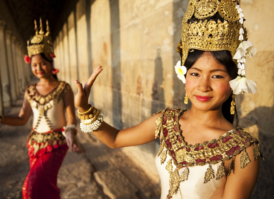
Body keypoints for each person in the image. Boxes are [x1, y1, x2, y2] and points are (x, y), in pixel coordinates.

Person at [74, 0, 262, 198]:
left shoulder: (243, 150)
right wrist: (85, 109)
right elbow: (115, 139)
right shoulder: (166, 122)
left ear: (234, 80)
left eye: (216, 76)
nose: (203, 86)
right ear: (184, 76)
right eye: (195, 74)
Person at [0, 19, 82, 199]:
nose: (39, 68)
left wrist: (71, 132)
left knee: (31, 186)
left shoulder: (63, 88)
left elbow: (70, 116)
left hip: (55, 145)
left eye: (43, 63)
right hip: (34, 145)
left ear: (51, 62)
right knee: (45, 188)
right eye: (34, 65)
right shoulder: (30, 90)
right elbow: (22, 119)